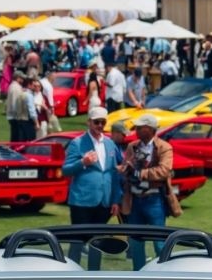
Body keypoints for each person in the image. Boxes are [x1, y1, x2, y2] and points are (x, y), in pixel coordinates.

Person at [61, 108, 123, 270]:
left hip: (104, 201)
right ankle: (72, 273)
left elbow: (114, 173)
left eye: (103, 122)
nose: (100, 125)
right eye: (96, 122)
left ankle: (94, 273)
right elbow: (66, 170)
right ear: (89, 122)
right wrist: (83, 162)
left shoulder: (110, 144)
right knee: (77, 240)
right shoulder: (77, 143)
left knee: (98, 241)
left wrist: (115, 200)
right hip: (82, 200)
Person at [119, 114, 174, 270]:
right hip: (134, 200)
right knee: (136, 242)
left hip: (154, 199)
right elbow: (125, 167)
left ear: (150, 129)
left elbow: (164, 171)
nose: (136, 130)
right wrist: (125, 169)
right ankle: (139, 275)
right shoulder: (132, 146)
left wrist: (140, 173)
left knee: (159, 243)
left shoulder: (164, 147)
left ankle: (163, 274)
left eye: (140, 127)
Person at [5, 72, 34, 143]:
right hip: (15, 116)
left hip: (12, 116)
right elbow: (15, 103)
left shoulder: (13, 86)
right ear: (18, 78)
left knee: (15, 136)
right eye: (22, 78)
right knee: (17, 137)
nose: (23, 80)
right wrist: (19, 115)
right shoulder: (16, 88)